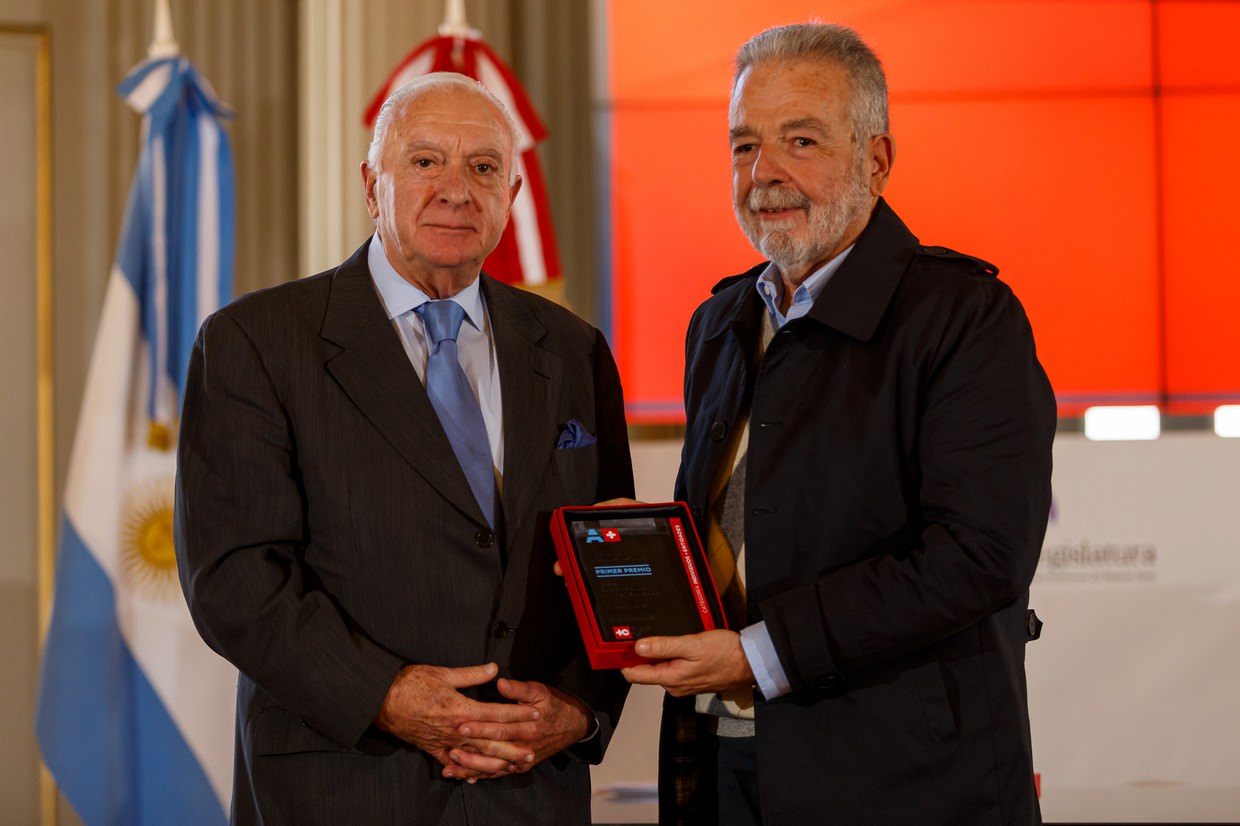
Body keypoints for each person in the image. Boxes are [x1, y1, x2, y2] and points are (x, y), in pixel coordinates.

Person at [619, 23, 1056, 826]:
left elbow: (980, 556)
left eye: (802, 141)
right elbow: (744, 525)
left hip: (904, 781)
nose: (764, 173)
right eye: (744, 145)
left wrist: (759, 654)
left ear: (876, 160)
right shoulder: (719, 322)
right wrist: (645, 549)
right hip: (721, 762)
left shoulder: (966, 317)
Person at [174, 72, 633, 825]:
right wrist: (386, 695)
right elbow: (233, 580)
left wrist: (581, 712)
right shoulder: (255, 342)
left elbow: (613, 557)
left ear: (512, 195)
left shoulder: (573, 348)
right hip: (344, 784)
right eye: (425, 161)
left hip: (530, 791)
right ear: (371, 185)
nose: (457, 190)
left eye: (483, 167)